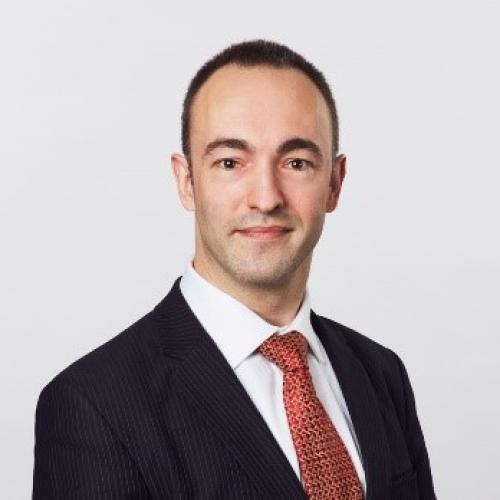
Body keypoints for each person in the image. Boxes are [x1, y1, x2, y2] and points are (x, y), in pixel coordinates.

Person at [32, 40, 436, 499]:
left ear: (334, 183)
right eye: (230, 162)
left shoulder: (381, 373)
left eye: (296, 162)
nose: (266, 197)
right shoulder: (94, 406)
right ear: (187, 181)